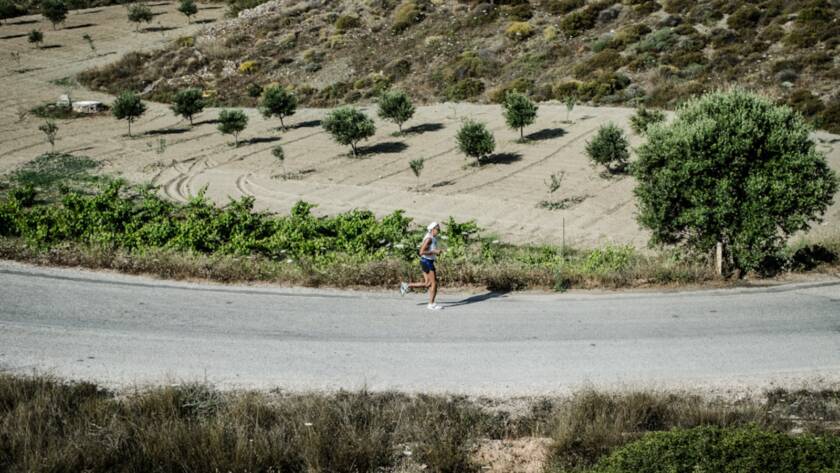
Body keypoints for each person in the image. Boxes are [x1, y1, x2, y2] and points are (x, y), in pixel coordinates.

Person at [400, 221, 443, 310]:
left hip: (425, 261)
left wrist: (434, 252)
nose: (439, 230)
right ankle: (431, 304)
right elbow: (421, 252)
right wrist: (434, 252)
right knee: (434, 283)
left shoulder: (431, 237)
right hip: (427, 261)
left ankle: (406, 286)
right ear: (432, 229)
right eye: (437, 229)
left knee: (427, 284)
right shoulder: (429, 239)